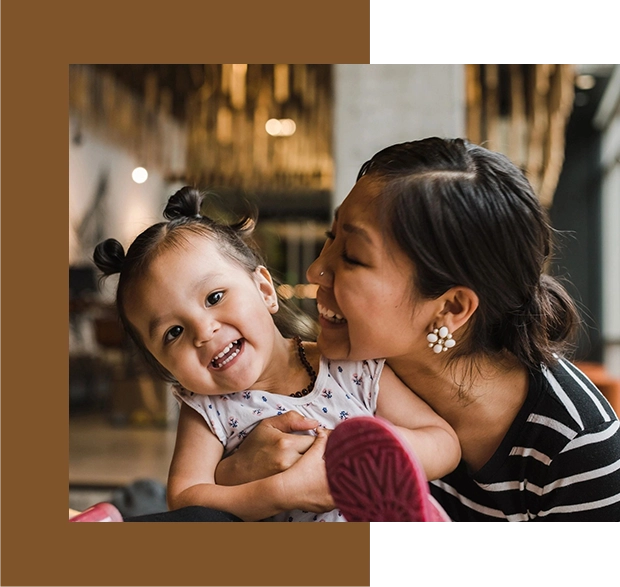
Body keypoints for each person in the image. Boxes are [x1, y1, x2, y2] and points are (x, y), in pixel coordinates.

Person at [222, 137, 620, 528]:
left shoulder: (577, 448)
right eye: (331, 237)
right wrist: (239, 471)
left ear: (450, 308)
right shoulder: (339, 373)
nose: (315, 272)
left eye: (352, 257)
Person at [90, 186, 460, 522]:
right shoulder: (208, 408)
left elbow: (443, 442)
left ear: (265, 290)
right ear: (162, 364)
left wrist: (375, 456)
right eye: (173, 333)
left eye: (214, 298)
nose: (204, 332)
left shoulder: (351, 368)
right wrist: (281, 492)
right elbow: (186, 499)